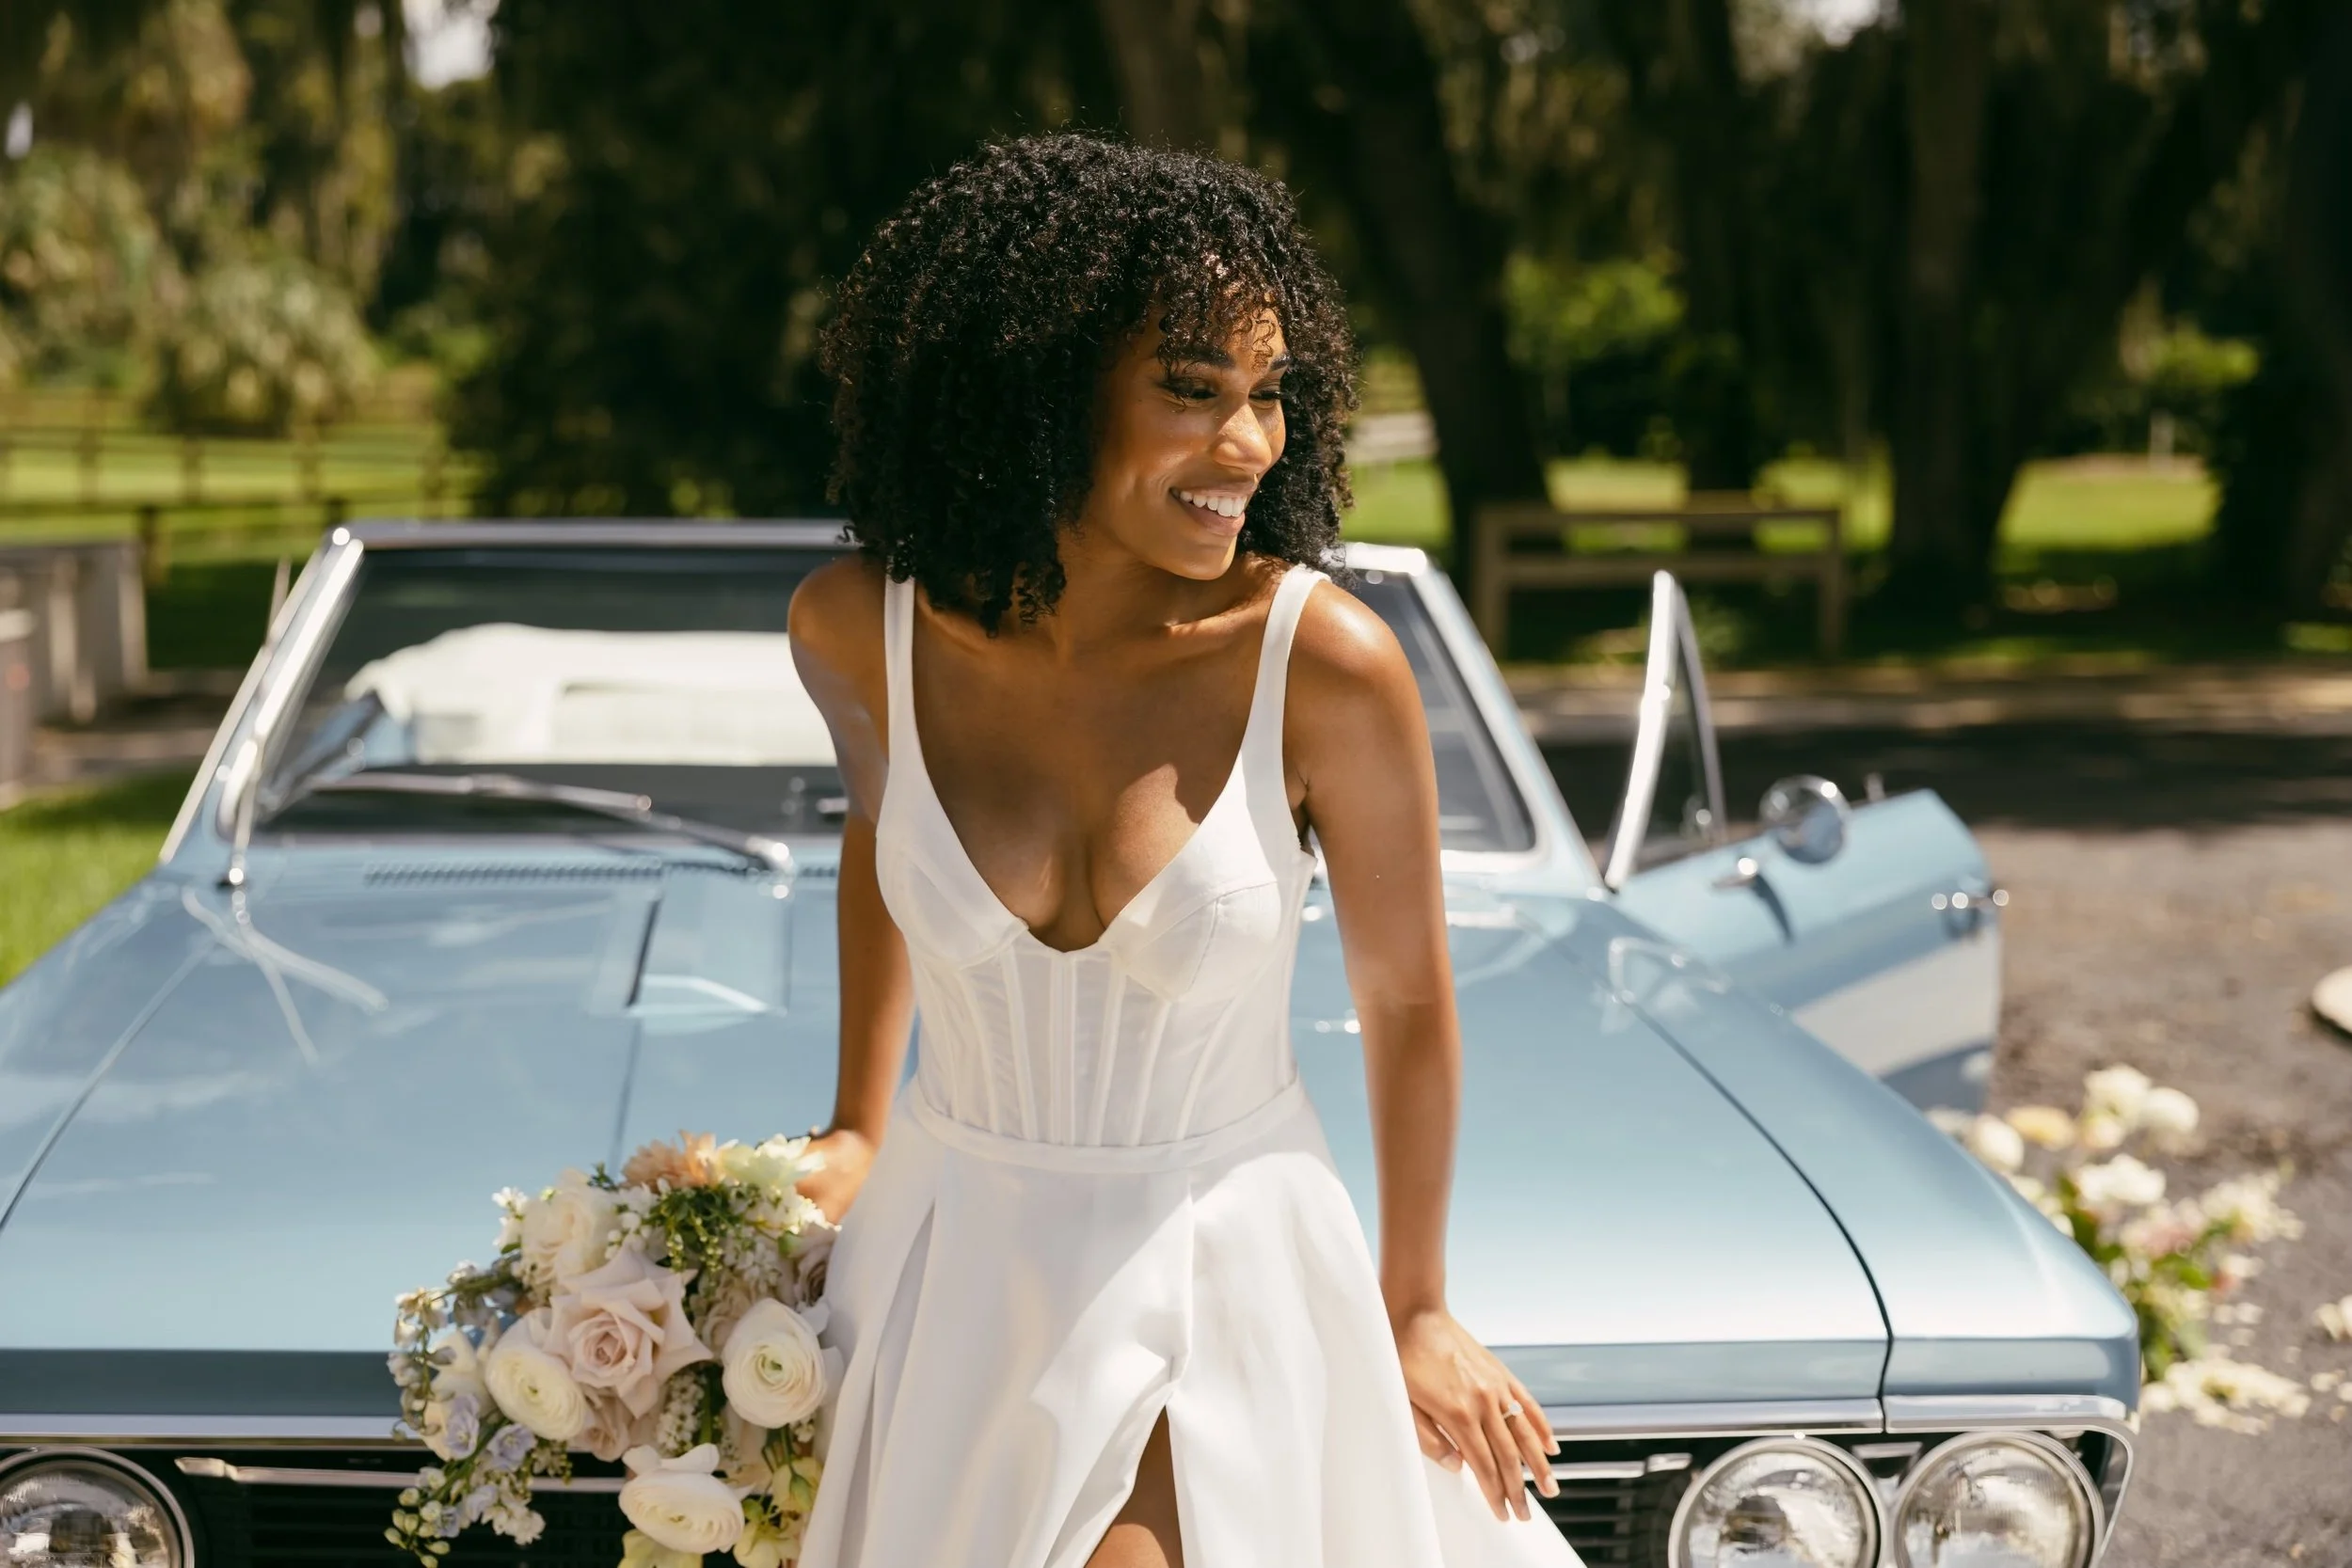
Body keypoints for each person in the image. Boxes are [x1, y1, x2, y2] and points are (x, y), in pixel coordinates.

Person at [787, 134, 1580, 1568]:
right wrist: (854, 1121)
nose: (1252, 445)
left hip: (1227, 1254)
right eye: (1194, 390)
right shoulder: (859, 628)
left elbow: (1406, 1003)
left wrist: (1414, 1303)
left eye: (1272, 395)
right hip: (954, 1261)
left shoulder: (1322, 662)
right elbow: (880, 833)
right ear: (1037, 391)